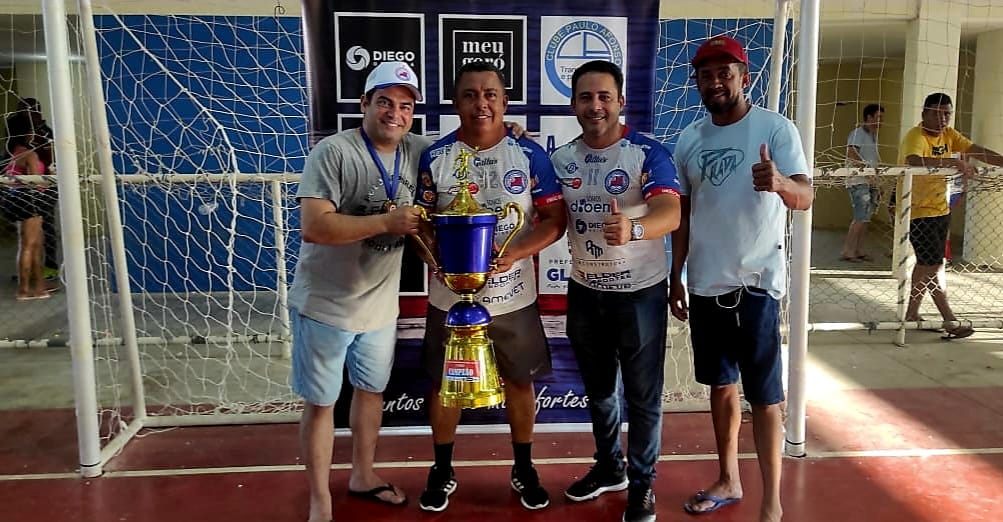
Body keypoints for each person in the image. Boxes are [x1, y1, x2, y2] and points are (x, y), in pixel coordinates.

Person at [669, 35, 813, 522]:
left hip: (757, 285)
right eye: (706, 74)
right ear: (697, 82)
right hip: (706, 283)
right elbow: (683, 216)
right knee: (721, 386)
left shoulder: (775, 128)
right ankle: (728, 478)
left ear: (744, 77)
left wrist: (781, 183)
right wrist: (676, 275)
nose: (715, 81)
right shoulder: (688, 139)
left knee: (766, 397)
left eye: (724, 73)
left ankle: (771, 503)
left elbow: (805, 197)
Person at [413, 61, 567, 513]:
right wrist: (435, 256)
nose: (481, 103)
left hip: (512, 297)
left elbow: (555, 220)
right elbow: (422, 223)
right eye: (470, 94)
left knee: (520, 381)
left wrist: (517, 252)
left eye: (490, 94)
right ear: (455, 103)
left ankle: (524, 466)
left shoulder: (528, 155)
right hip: (450, 297)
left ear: (504, 102)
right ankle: (442, 469)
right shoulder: (436, 157)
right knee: (445, 383)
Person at [287, 61, 426, 522]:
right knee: (322, 403)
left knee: (370, 393)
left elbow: (466, 150)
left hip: (379, 309)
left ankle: (362, 475)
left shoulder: (418, 150)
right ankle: (320, 498)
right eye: (385, 102)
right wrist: (387, 221)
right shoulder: (333, 152)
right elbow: (315, 226)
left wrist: (509, 132)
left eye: (405, 106)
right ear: (364, 103)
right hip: (325, 306)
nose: (395, 114)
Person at [550, 60, 681, 522]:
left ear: (621, 102)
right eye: (586, 97)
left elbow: (670, 212)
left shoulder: (646, 152)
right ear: (573, 104)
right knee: (600, 390)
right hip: (586, 291)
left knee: (643, 396)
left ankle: (642, 485)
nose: (595, 106)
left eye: (604, 96)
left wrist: (635, 228)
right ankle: (610, 467)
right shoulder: (560, 159)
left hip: (640, 294)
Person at [899, 92, 1003, 339]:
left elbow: (976, 150)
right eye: (937, 113)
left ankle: (911, 314)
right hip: (917, 211)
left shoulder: (949, 134)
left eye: (947, 114)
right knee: (932, 265)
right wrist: (953, 163)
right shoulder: (916, 136)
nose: (943, 119)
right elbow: (913, 160)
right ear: (924, 113)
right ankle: (949, 320)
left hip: (940, 208)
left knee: (928, 264)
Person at [1, 135, 50, 301]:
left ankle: (38, 287)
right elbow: (36, 181)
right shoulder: (29, 154)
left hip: (19, 201)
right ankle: (24, 289)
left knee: (33, 244)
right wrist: (50, 179)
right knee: (30, 245)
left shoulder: (14, 154)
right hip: (31, 202)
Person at [839, 103, 884, 262]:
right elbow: (852, 153)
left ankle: (859, 250)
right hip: (858, 181)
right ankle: (848, 251)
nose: (881, 121)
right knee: (860, 216)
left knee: (866, 218)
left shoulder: (873, 136)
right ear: (868, 117)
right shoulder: (857, 133)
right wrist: (866, 170)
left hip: (871, 182)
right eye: (878, 117)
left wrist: (877, 182)